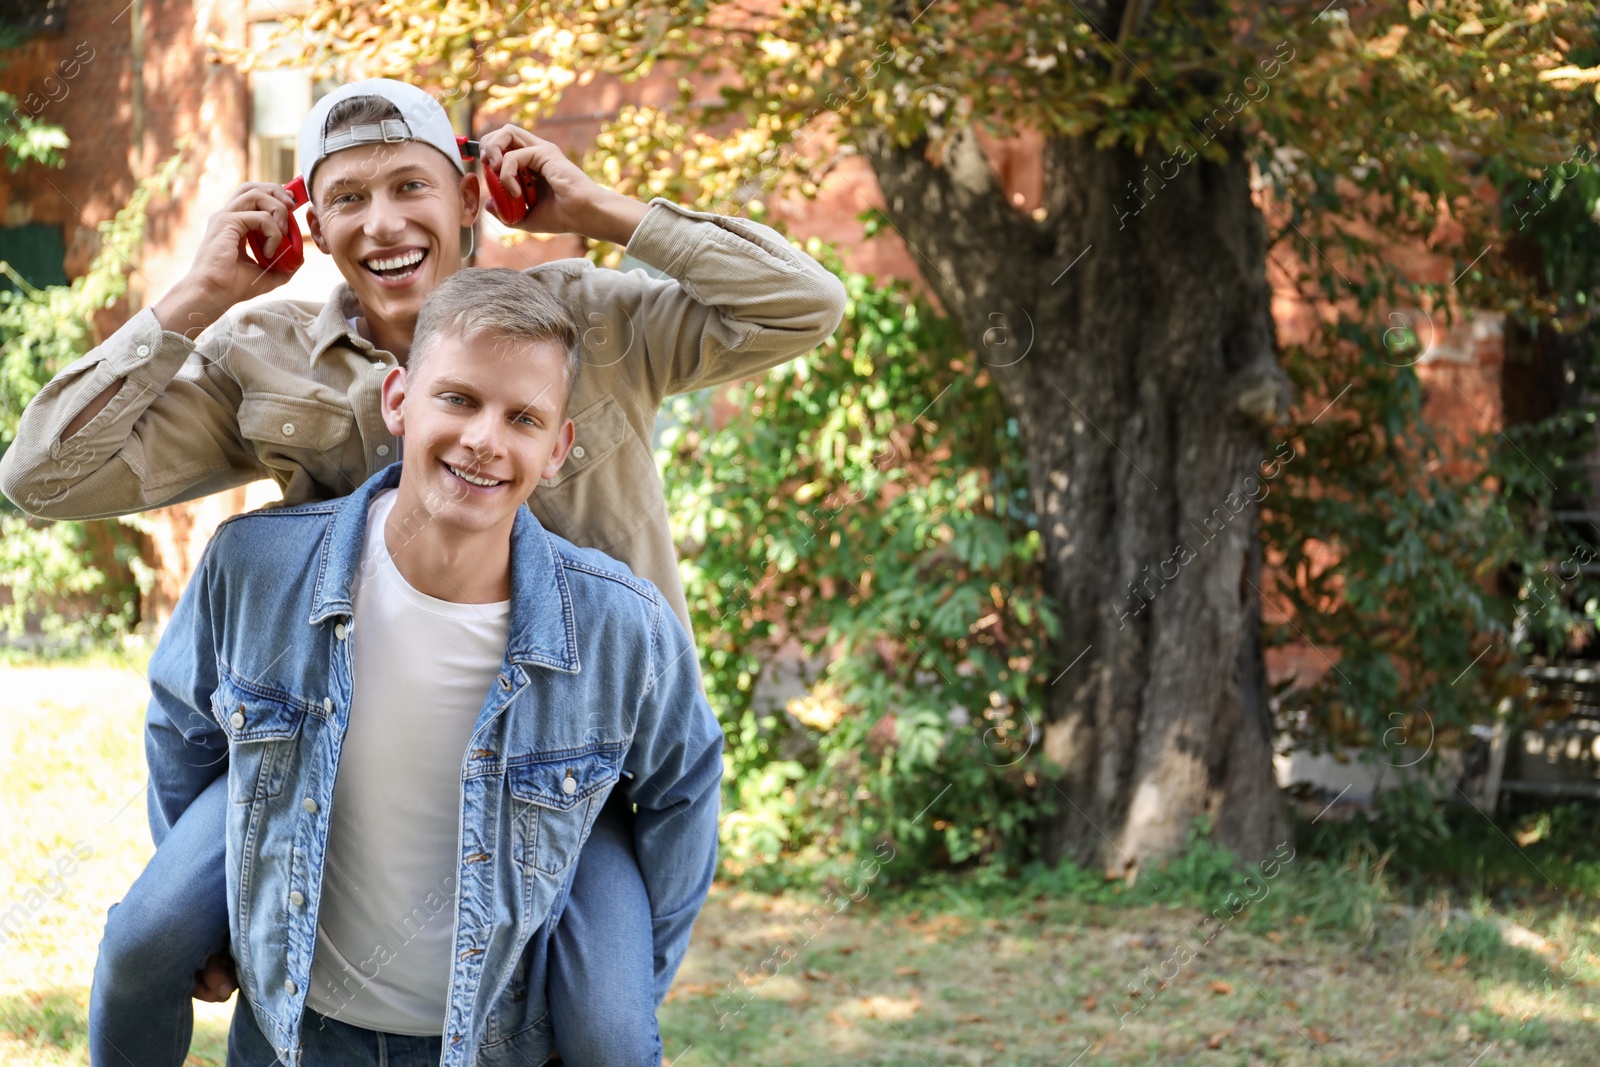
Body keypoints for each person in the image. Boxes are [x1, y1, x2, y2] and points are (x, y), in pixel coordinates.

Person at [0, 78, 846, 1066]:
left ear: (470, 200)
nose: (384, 221)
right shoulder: (271, 355)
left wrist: (595, 210)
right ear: (313, 226)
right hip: (329, 736)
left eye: (411, 186)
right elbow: (42, 477)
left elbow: (806, 303)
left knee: (609, 1029)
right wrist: (200, 293)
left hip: (562, 755)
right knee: (145, 936)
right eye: (348, 197)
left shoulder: (590, 325)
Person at [145, 266, 722, 1066]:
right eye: (458, 398)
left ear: (557, 449)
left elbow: (685, 787)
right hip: (296, 1038)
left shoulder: (624, 624)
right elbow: (182, 729)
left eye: (522, 417)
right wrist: (219, 904)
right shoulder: (255, 566)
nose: (486, 438)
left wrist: (632, 976)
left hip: (498, 1044)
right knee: (134, 943)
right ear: (397, 401)